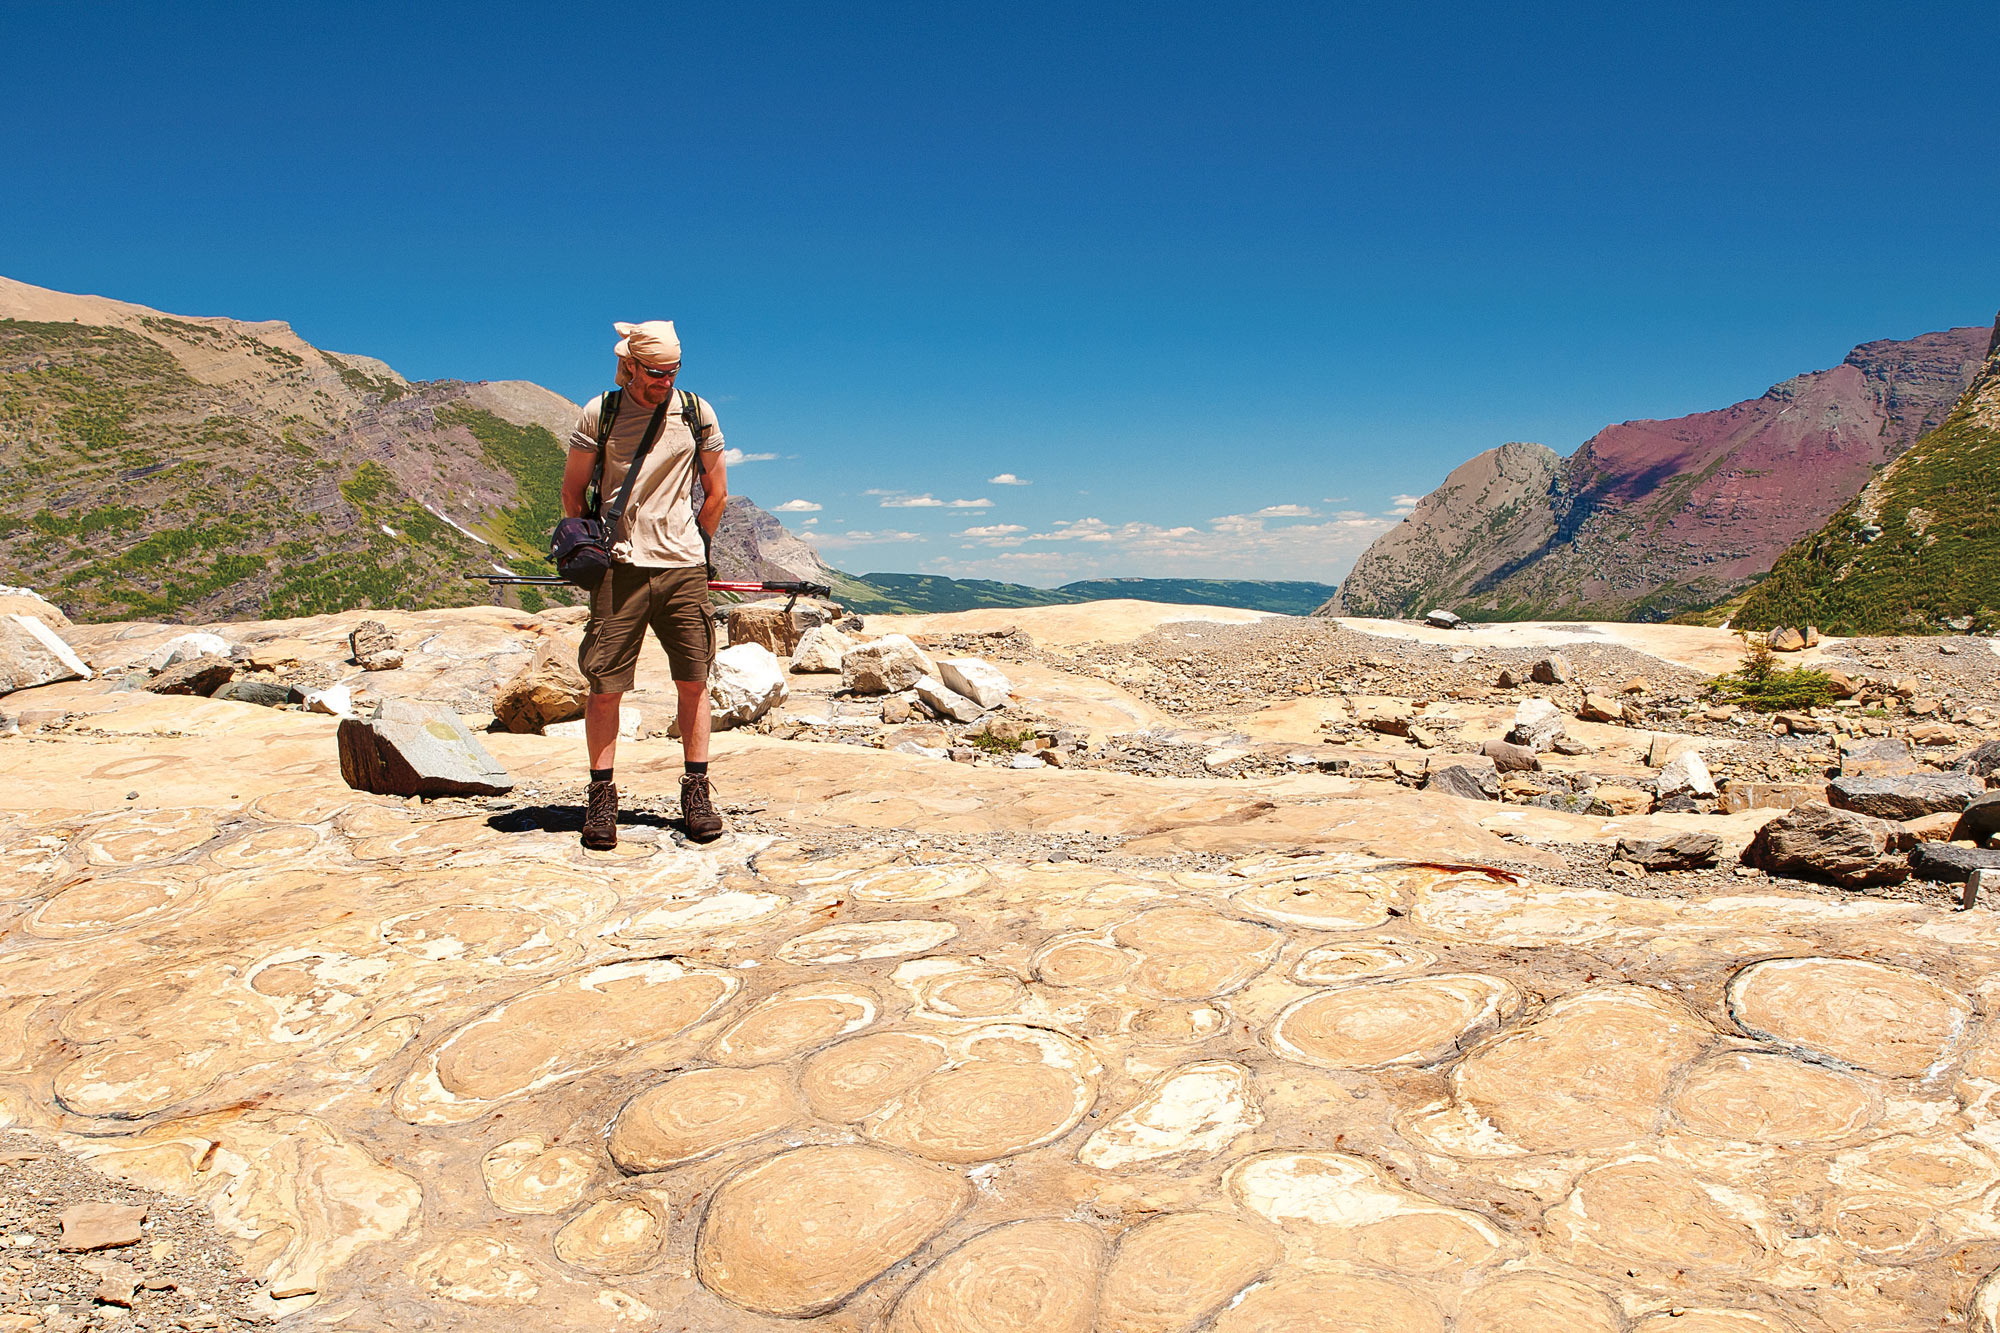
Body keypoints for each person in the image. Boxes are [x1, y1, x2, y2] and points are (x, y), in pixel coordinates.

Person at [560, 319, 728, 848]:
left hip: (683, 568)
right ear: (630, 365)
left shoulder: (696, 411)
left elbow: (716, 492)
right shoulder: (601, 413)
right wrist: (594, 547)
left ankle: (697, 791)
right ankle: (602, 799)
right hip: (621, 567)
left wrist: (697, 549)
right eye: (655, 372)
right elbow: (573, 490)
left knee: (694, 681)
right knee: (605, 685)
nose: (665, 381)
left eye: (673, 371)